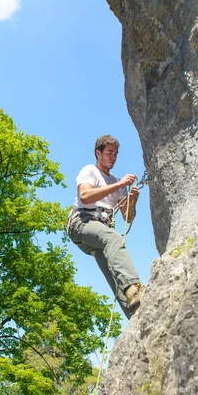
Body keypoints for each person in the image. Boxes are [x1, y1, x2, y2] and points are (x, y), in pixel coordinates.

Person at [67, 134, 146, 318]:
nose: (113, 157)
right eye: (109, 152)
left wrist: (132, 200)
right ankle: (134, 288)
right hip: (82, 222)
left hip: (99, 232)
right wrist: (119, 184)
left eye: (116, 154)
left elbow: (128, 217)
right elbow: (85, 196)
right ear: (98, 153)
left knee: (114, 273)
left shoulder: (116, 183)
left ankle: (136, 315)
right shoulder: (90, 171)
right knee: (112, 238)